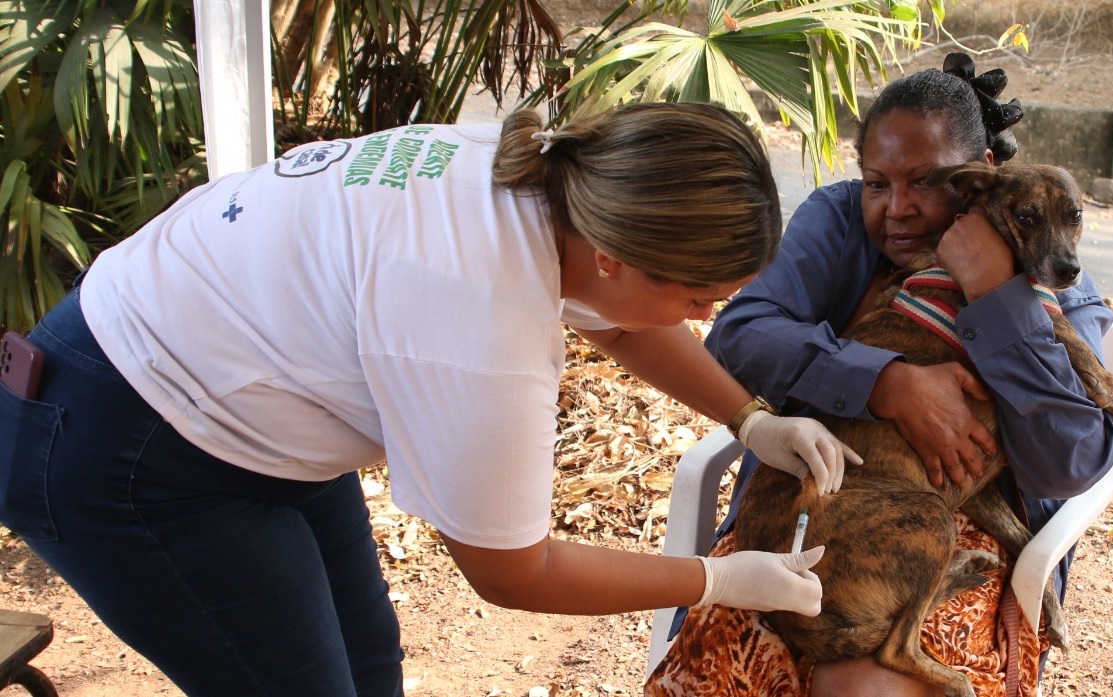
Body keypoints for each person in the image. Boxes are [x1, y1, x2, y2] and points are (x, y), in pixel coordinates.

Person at [0, 102, 863, 697]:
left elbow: (621, 318)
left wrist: (750, 416)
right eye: (698, 297)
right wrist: (716, 578)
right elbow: (512, 570)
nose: (703, 319)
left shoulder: (546, 176)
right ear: (615, 255)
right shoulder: (480, 320)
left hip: (230, 394)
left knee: (367, 660)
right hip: (119, 443)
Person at [645, 56, 1113, 697]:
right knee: (725, 649)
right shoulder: (841, 222)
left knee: (865, 682)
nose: (896, 209)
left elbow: (1070, 461)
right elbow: (741, 334)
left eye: (925, 182)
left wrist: (993, 294)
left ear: (979, 176)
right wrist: (886, 382)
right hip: (813, 506)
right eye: (876, 182)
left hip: (973, 521)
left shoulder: (1056, 281)